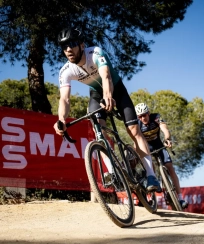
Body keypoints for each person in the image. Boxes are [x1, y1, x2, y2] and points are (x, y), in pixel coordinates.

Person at [53, 27, 160, 192]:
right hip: (96, 94)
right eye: (64, 46)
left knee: (134, 130)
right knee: (98, 131)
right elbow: (65, 98)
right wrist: (61, 119)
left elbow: (106, 77)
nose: (68, 49)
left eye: (72, 44)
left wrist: (108, 96)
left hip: (116, 89)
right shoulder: (65, 71)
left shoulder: (95, 53)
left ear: (81, 45)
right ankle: (112, 172)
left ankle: (151, 175)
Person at [135, 103, 188, 209]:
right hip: (147, 147)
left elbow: (165, 129)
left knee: (170, 168)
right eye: (140, 116)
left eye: (144, 115)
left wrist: (167, 139)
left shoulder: (156, 118)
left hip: (158, 144)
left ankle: (181, 198)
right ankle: (151, 194)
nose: (142, 118)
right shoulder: (137, 124)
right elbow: (136, 140)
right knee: (150, 169)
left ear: (148, 113)